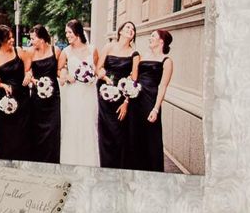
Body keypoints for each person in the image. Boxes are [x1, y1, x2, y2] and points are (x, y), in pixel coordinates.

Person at [128, 27, 174, 171]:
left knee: (151, 139)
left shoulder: (166, 61)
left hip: (150, 102)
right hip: (136, 100)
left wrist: (156, 108)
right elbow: (134, 76)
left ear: (161, 41)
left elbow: (163, 86)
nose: (150, 38)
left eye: (153, 36)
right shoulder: (143, 56)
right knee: (135, 137)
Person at [97, 20, 138, 170]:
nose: (130, 30)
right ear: (120, 31)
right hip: (105, 93)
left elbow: (134, 80)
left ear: (133, 36)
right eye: (128, 27)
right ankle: (104, 165)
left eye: (133, 29)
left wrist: (126, 102)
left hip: (121, 96)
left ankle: (118, 168)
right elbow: (98, 68)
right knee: (105, 132)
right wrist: (104, 77)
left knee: (119, 134)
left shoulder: (134, 54)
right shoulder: (108, 47)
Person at [58, 19, 100, 167]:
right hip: (74, 93)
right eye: (66, 33)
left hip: (89, 93)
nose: (67, 35)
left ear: (77, 32)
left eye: (69, 32)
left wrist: (94, 75)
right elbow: (60, 69)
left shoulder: (92, 49)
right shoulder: (66, 51)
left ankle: (90, 163)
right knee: (73, 124)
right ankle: (71, 162)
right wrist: (65, 74)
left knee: (88, 125)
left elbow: (97, 69)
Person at [21, 25, 62, 164]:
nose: (31, 41)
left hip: (53, 97)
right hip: (37, 97)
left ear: (42, 38)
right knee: (37, 130)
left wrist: (64, 75)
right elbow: (27, 72)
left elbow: (59, 70)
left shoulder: (55, 50)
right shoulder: (30, 52)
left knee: (53, 130)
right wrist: (34, 80)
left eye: (33, 38)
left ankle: (52, 160)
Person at [0, 23, 27, 161]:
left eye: (12, 37)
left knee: (21, 136)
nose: (12, 40)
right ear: (0, 40)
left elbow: (29, 68)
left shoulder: (19, 51)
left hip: (22, 99)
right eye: (8, 38)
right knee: (6, 136)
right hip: (6, 102)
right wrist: (2, 84)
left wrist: (29, 75)